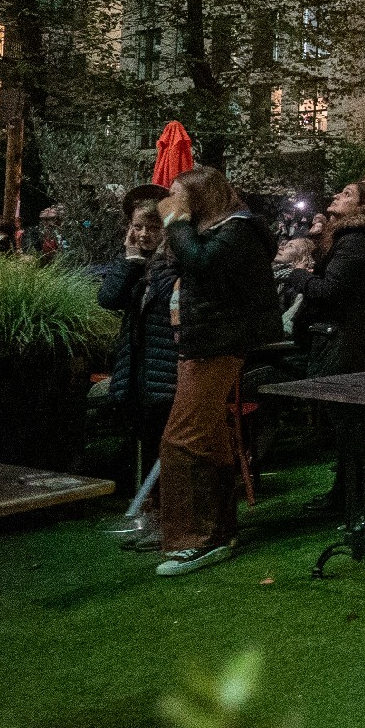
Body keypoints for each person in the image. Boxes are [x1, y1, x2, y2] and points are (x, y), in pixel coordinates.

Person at [151, 167, 283, 576]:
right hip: (207, 344)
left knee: (184, 440)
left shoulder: (238, 230)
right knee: (208, 439)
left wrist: (176, 221)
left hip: (215, 346)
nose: (169, 202)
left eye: (177, 195)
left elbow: (201, 263)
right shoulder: (230, 230)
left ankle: (196, 540)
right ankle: (215, 532)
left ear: (199, 198)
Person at [98, 186, 178, 551]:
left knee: (167, 448)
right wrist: (130, 260)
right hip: (139, 367)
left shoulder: (175, 262)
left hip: (165, 368)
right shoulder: (136, 264)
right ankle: (149, 517)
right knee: (146, 445)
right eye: (138, 227)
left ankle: (168, 521)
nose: (144, 234)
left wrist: (154, 263)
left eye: (152, 227)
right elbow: (108, 297)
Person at [284, 181, 365, 380]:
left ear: (362, 207)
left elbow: (330, 291)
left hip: (338, 342)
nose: (336, 196)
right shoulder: (352, 238)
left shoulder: (356, 241)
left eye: (347, 194)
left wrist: (299, 274)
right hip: (337, 339)